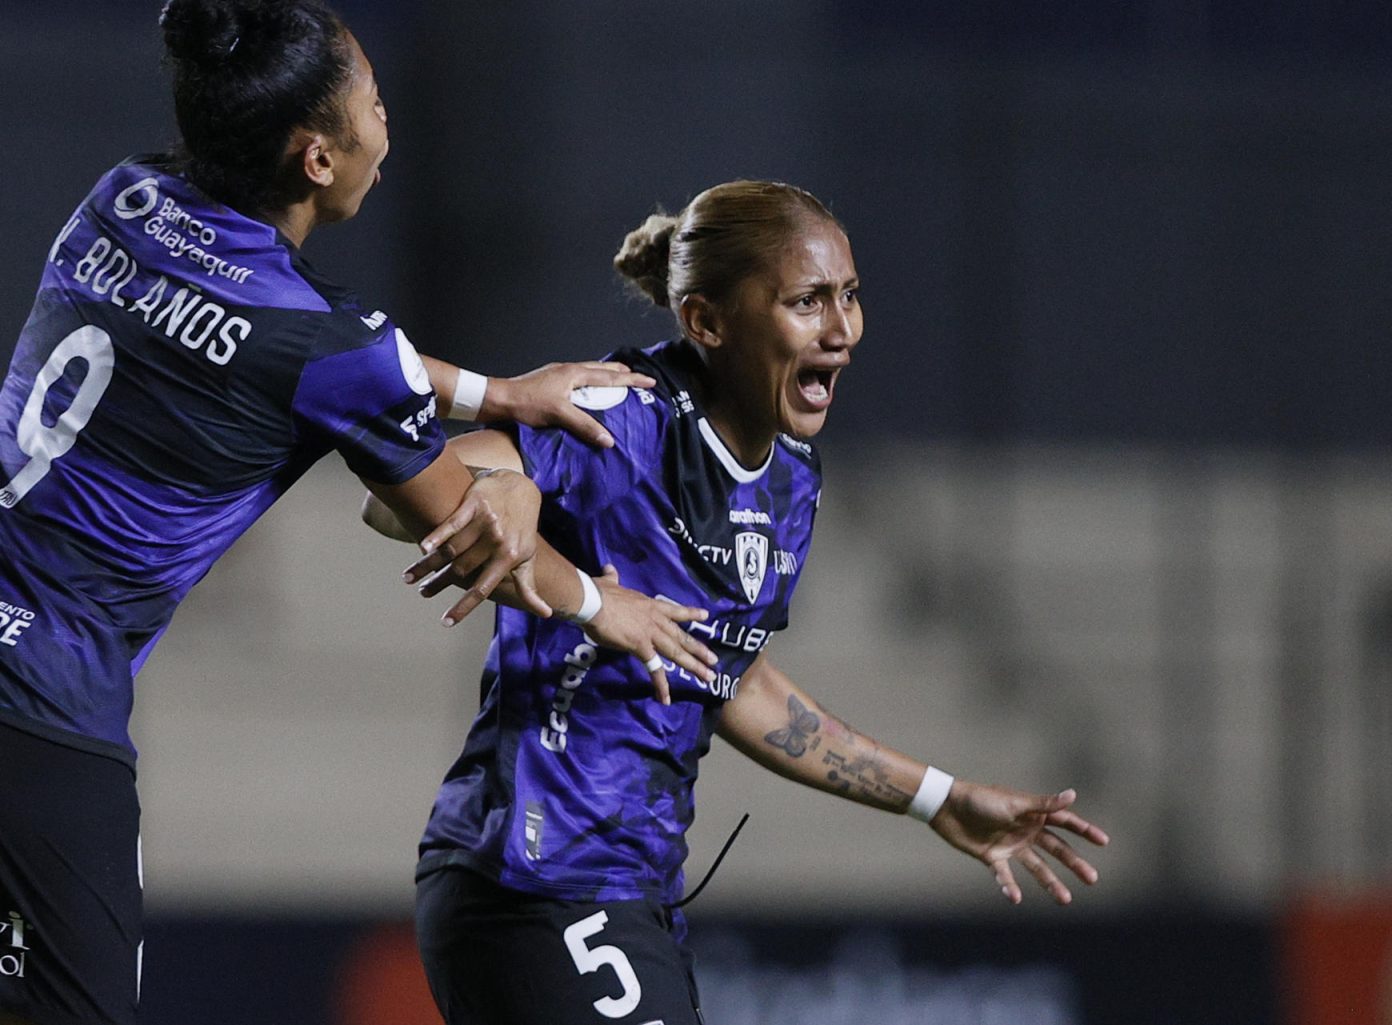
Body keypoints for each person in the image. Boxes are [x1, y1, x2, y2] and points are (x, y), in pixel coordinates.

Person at [0, 3, 714, 1024]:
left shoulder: (124, 194)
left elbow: (294, 353)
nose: (390, 127)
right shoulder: (333, 348)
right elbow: (470, 529)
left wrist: (500, 397)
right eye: (374, 107)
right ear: (318, 158)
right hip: (43, 704)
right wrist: (606, 605)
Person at [366, 180, 1110, 1024]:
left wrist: (937, 796)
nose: (842, 331)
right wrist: (507, 486)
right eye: (807, 302)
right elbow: (391, 500)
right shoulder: (621, 419)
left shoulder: (792, 481)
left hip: (633, 890)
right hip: (531, 880)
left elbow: (734, 682)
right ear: (707, 322)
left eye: (850, 297)